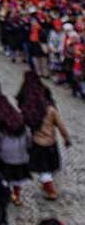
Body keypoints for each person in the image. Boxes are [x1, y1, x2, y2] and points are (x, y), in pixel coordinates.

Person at [17, 71, 71, 200]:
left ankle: (49, 187)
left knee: (43, 169)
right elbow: (60, 125)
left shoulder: (27, 107)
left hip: (37, 142)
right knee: (49, 167)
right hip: (50, 142)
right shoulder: (50, 110)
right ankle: (50, 189)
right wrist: (66, 138)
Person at [0, 96, 32, 206]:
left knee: (6, 177)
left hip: (5, 156)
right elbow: (28, 135)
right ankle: (16, 196)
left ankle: (7, 195)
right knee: (18, 178)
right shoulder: (20, 119)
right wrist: (28, 148)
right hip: (21, 155)